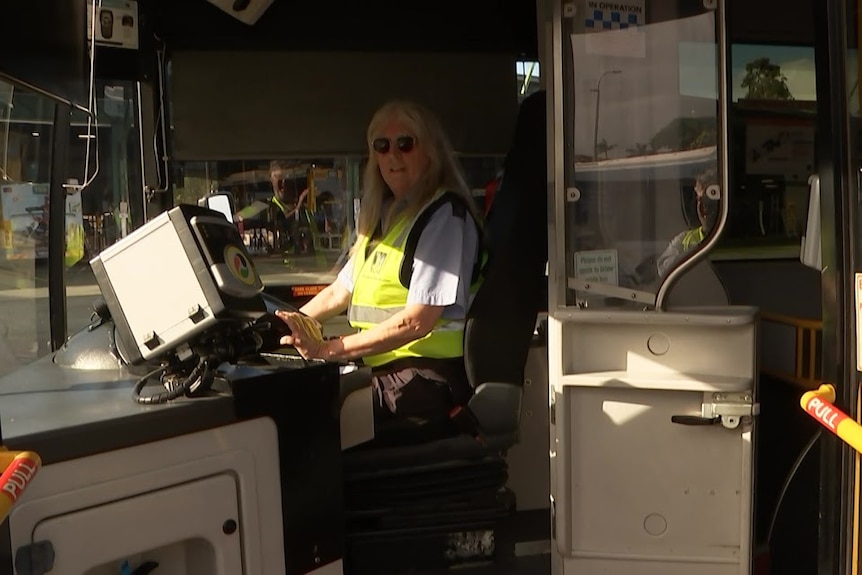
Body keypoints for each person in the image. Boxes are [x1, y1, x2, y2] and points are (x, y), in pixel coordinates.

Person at [275, 100, 483, 445]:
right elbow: (337, 294)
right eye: (381, 146)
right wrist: (278, 329)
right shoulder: (384, 220)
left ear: (430, 151)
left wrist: (329, 349)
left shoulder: (445, 218)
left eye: (406, 143)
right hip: (389, 375)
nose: (393, 156)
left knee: (305, 420)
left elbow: (417, 321)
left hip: (425, 379)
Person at [656, 167, 720, 277]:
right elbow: (664, 269)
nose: (702, 207)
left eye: (708, 199)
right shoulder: (684, 239)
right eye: (698, 200)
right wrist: (699, 248)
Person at [268, 161, 310, 255]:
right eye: (276, 178)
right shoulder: (274, 206)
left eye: (283, 178)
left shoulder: (302, 204)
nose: (282, 182)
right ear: (271, 179)